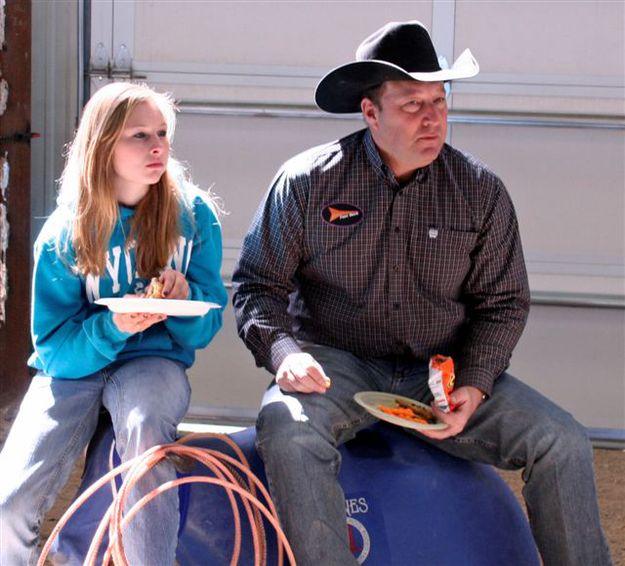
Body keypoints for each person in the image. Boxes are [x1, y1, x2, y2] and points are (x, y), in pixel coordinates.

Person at [232, 21, 612, 566]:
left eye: (439, 100)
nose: (432, 118)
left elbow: (503, 303)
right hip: (335, 366)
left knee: (563, 440)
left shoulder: (479, 191)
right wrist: (285, 355)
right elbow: (256, 286)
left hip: (442, 372)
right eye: (412, 104)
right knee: (287, 431)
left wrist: (476, 385)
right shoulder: (306, 183)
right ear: (370, 113)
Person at [0, 82, 228, 565]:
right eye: (139, 135)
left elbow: (207, 325)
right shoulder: (66, 232)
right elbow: (53, 347)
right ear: (102, 146)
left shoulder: (193, 216)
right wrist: (114, 326)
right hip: (74, 368)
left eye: (162, 132)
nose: (157, 145)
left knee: (146, 438)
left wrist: (185, 299)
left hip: (154, 362)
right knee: (11, 499)